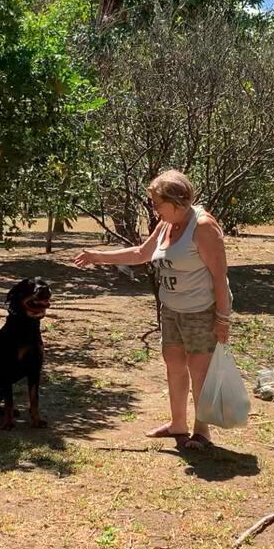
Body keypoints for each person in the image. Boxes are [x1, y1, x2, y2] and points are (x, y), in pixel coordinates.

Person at [74, 170, 231, 451]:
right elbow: (141, 254)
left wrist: (222, 319)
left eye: (158, 203)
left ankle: (202, 432)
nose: (155, 208)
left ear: (177, 200)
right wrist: (97, 256)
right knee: (174, 365)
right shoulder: (166, 224)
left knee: (199, 371)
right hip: (171, 309)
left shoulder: (203, 227)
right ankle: (177, 424)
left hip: (200, 312)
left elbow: (220, 277)